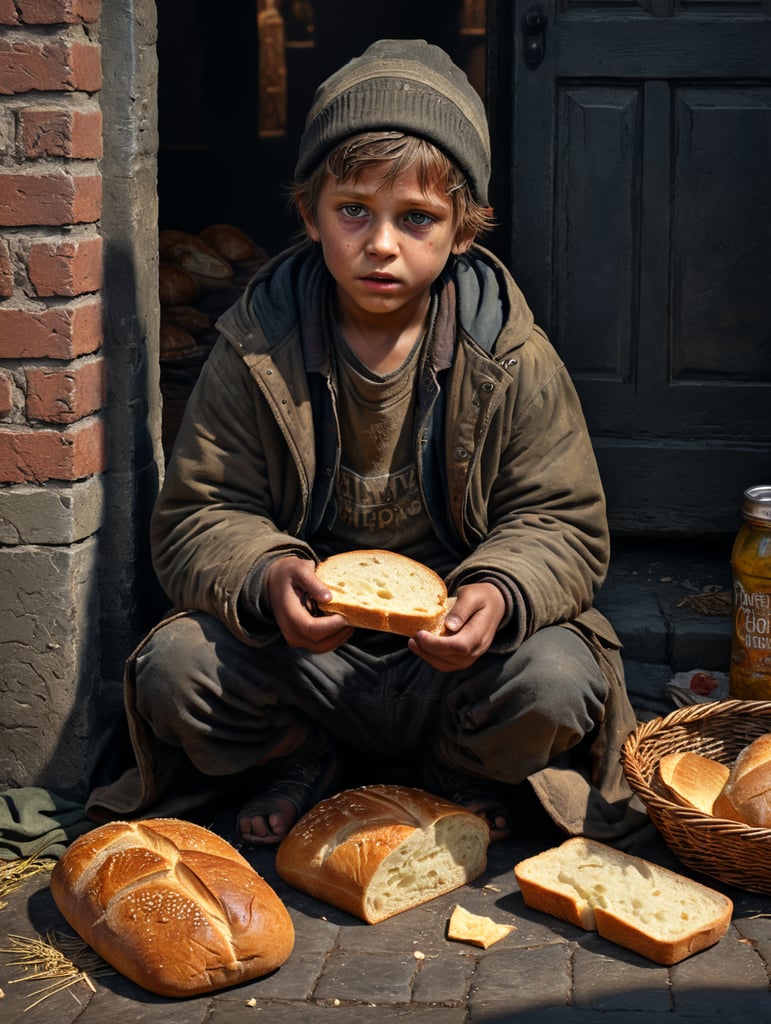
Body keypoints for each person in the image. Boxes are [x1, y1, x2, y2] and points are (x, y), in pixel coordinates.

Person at [87, 39, 645, 846]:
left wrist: (495, 595)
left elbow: (561, 522)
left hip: (452, 658)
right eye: (354, 210)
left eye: (415, 218)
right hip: (306, 658)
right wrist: (269, 576)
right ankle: (297, 756)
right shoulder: (255, 345)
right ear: (311, 213)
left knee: (559, 680)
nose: (381, 243)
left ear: (462, 231)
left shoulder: (509, 354)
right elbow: (199, 515)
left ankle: (463, 766)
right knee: (177, 673)